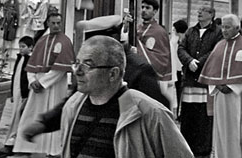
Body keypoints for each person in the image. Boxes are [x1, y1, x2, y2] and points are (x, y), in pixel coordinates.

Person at [56, 36, 193, 157]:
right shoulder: (73, 106)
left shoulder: (149, 113)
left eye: (87, 65)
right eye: (77, 63)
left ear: (113, 74)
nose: (78, 72)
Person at [198, 14, 242, 158]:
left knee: (241, 129)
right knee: (222, 130)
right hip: (221, 97)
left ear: (237, 27)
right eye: (222, 27)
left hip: (241, 96)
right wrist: (217, 85)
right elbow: (211, 70)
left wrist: (232, 86)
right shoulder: (219, 45)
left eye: (227, 27)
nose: (224, 30)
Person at [14, 12, 75, 156]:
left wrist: (42, 82)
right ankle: (25, 147)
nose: (56, 26)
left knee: (52, 115)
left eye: (58, 23)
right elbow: (31, 64)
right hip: (37, 85)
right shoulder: (41, 41)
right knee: (33, 114)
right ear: (47, 23)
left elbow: (60, 70)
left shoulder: (65, 41)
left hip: (54, 84)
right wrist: (32, 81)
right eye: (53, 23)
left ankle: (52, 149)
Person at [177, 6, 223, 158]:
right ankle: (187, 145)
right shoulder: (191, 31)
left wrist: (199, 62)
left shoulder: (217, 32)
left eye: (203, 11)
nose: (199, 12)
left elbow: (216, 51)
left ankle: (203, 148)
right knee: (188, 114)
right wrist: (189, 60)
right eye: (198, 11)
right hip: (190, 80)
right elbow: (181, 48)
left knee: (204, 116)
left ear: (211, 14)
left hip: (205, 81)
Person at [135, 0, 175, 112]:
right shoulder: (137, 28)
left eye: (147, 8)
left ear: (155, 11)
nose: (143, 10)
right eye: (142, 7)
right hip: (137, 74)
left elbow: (163, 57)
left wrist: (139, 49)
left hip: (152, 76)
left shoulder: (159, 31)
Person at [2, 36, 34, 154]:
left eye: (23, 47)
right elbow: (15, 76)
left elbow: (27, 79)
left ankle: (14, 141)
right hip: (16, 91)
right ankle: (14, 140)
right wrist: (12, 93)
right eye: (19, 46)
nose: (20, 49)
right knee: (14, 115)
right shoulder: (19, 58)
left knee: (18, 116)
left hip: (23, 93)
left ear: (30, 48)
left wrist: (26, 93)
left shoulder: (30, 60)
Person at [170, 19, 188, 115]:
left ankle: (178, 112)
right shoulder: (181, 40)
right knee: (179, 92)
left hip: (178, 69)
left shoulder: (175, 41)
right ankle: (178, 112)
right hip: (179, 69)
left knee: (178, 92)